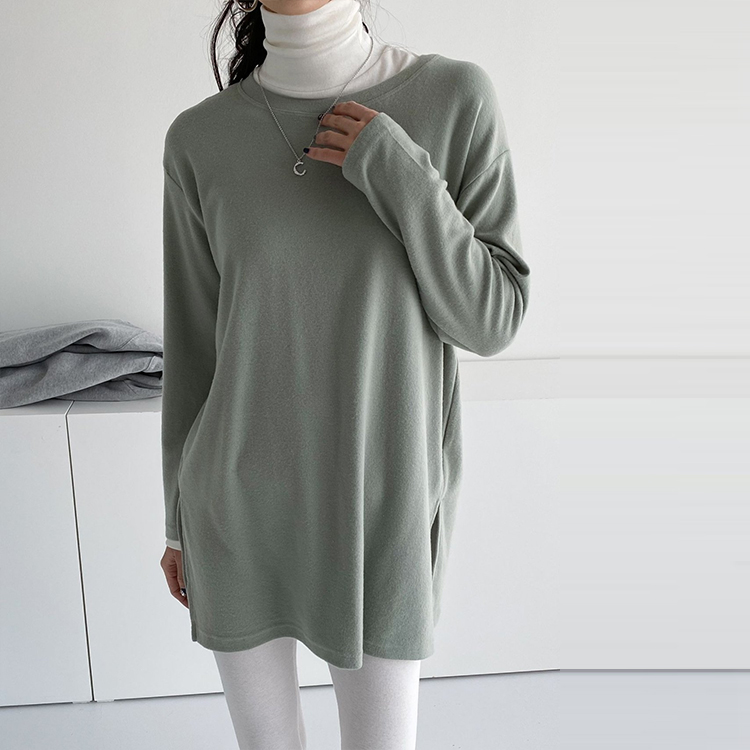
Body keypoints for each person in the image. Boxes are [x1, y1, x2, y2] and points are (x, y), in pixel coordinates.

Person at [158, 0, 531, 747]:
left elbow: (491, 319)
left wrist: (400, 174)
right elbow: (193, 349)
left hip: (382, 507)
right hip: (236, 505)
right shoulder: (199, 139)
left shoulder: (454, 99)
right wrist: (175, 520)